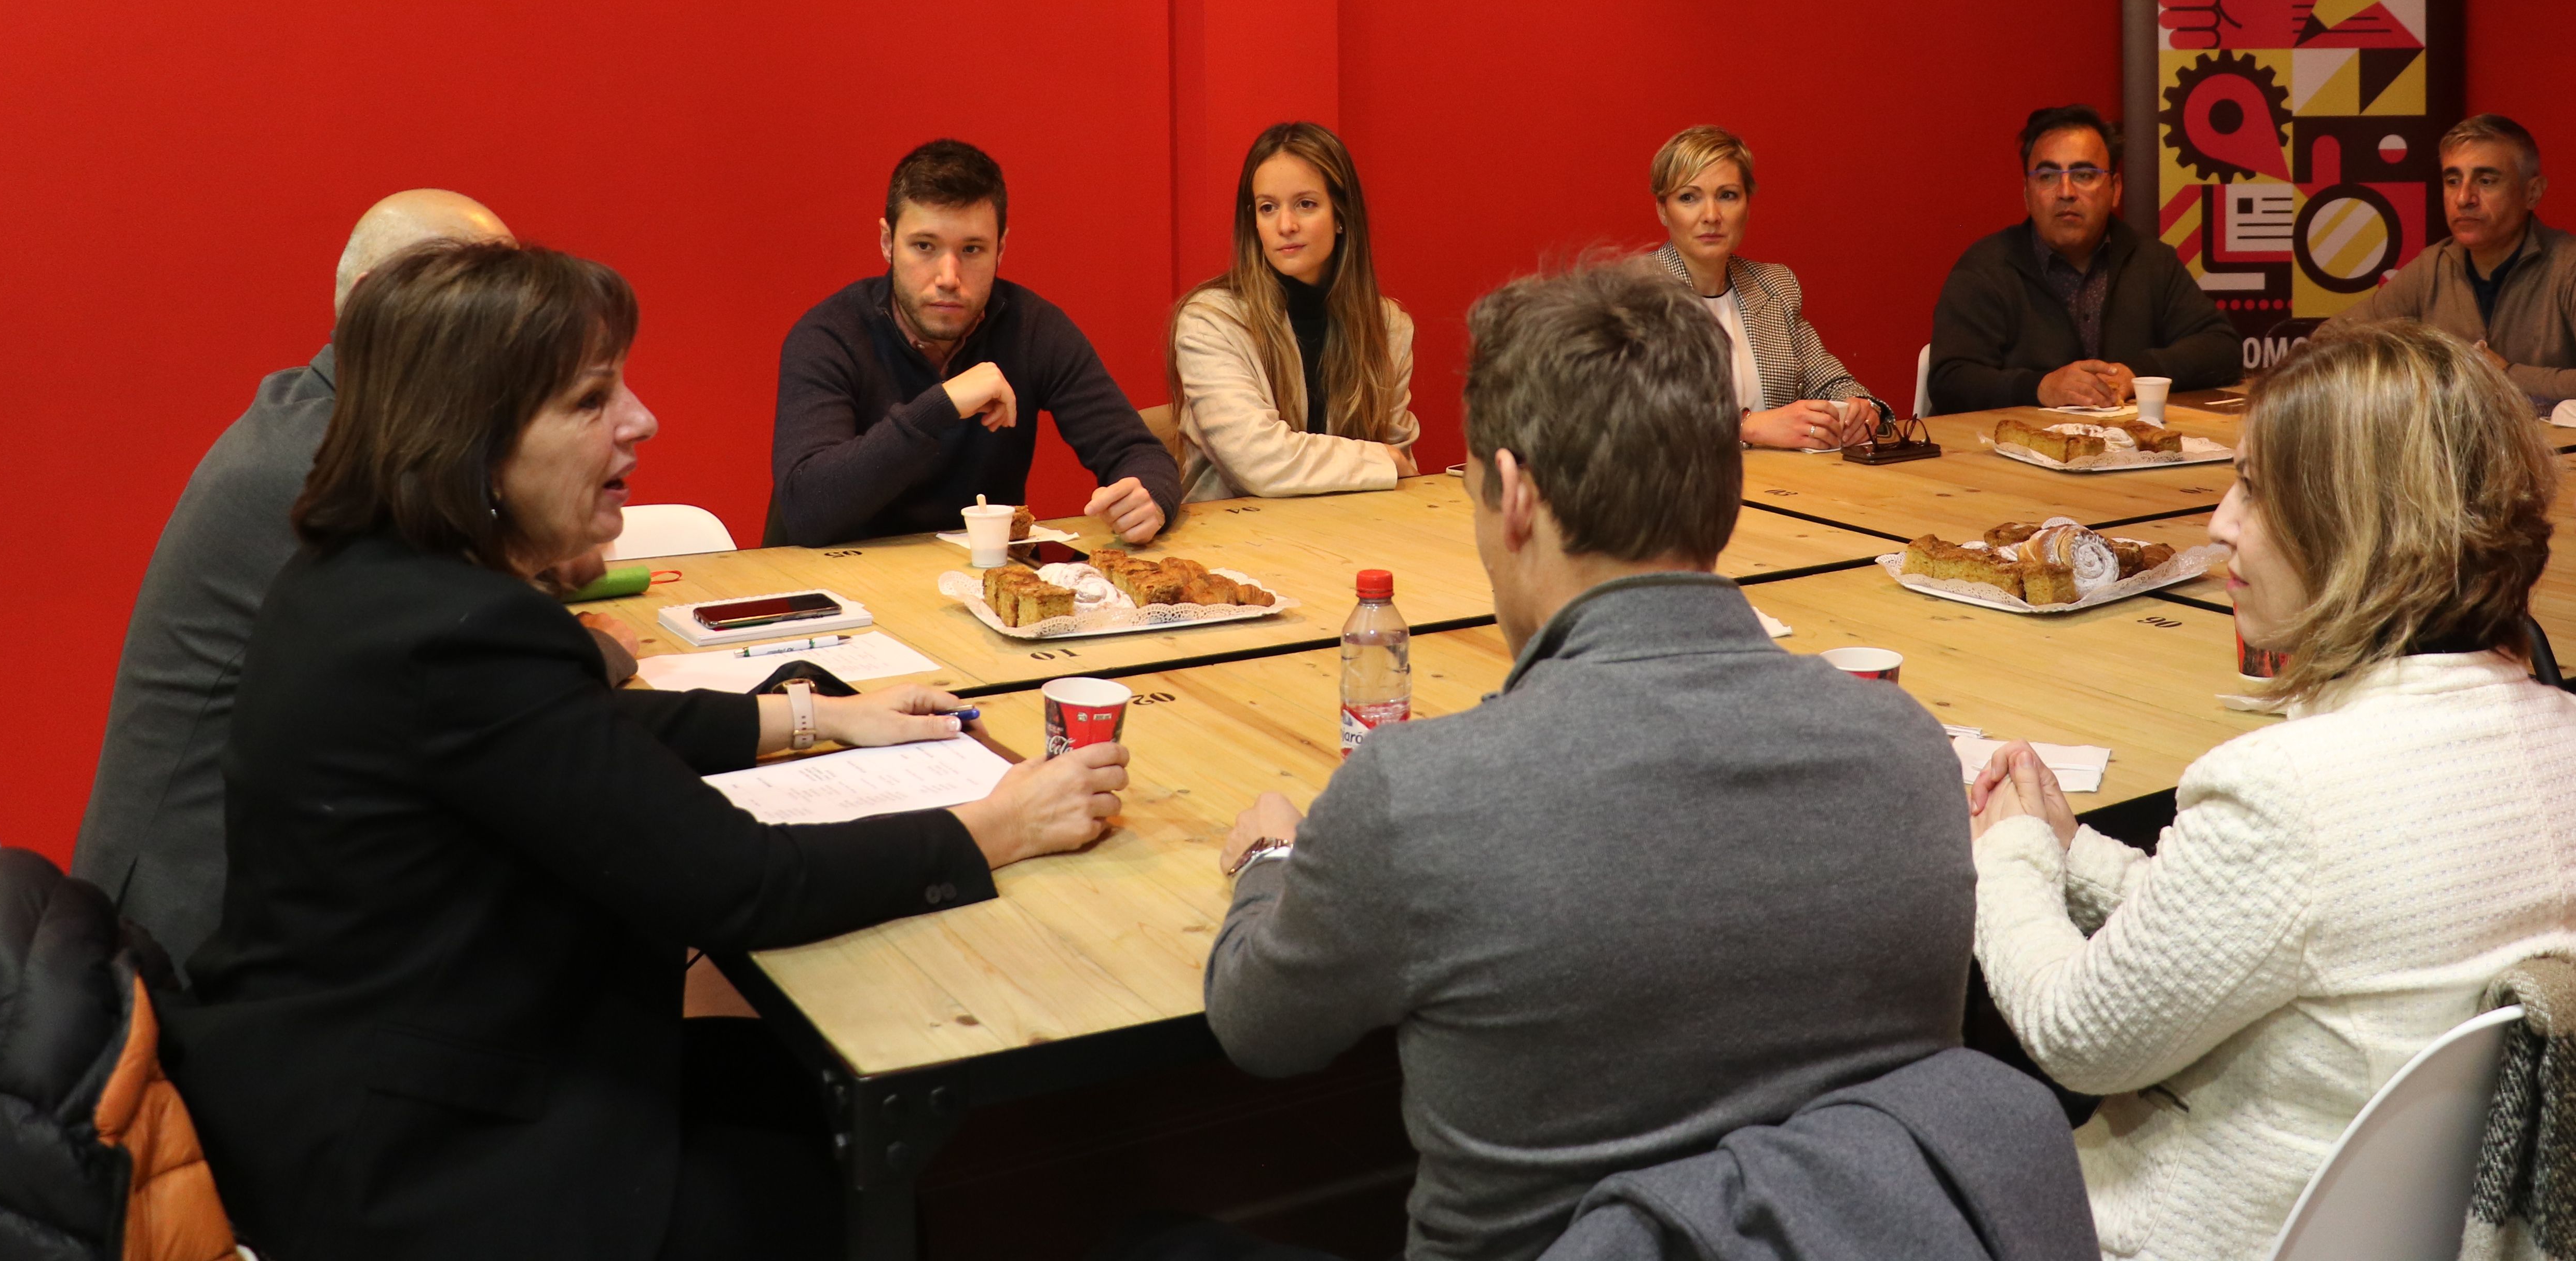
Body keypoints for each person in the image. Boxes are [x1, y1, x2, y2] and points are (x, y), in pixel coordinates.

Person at [164, 239, 1127, 1261]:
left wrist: (815, 716)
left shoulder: (363, 579)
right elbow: (744, 882)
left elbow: (581, 738)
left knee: (786, 1083)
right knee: (832, 1170)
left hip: (337, 1084)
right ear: (474, 442)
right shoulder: (463, 630)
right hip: (423, 1162)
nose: (642, 419)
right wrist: (996, 825)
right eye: (591, 400)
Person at [1200, 262, 1975, 1261]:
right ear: (1726, 486)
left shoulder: (1417, 794)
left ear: (1516, 496)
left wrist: (1272, 861)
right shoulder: (1908, 751)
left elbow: (1258, 1027)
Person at [1965, 320, 2576, 1261]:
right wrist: (2072, 853)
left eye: (2254, 489)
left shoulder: (2289, 789)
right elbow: (2273, 929)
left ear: (2355, 525)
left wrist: (2008, 854)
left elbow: (2077, 1034)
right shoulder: (2569, 733)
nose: (2219, 525)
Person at [73, 187, 532, 974]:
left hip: (264, 858)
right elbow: (481, 670)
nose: (503, 331)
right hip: (193, 923)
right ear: (372, 304)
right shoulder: (323, 467)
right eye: (465, 297)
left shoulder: (328, 418)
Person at [767, 139, 1180, 545]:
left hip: (981, 576)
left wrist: (1150, 500)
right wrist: (941, 406)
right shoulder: (830, 336)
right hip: (840, 576)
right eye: (924, 246)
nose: (948, 277)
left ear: (1000, 249)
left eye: (972, 249)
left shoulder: (1034, 328)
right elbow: (806, 511)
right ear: (887, 243)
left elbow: (1137, 452)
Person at [1925, 105, 2240, 413]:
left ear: (2115, 189)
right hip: (2013, 443)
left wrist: (2135, 373)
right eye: (2047, 176)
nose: (2066, 192)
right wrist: (2039, 388)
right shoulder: (1987, 268)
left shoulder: (2151, 261)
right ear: (2027, 193)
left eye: (2084, 175)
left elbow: (2221, 347)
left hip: (2129, 442)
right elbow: (1950, 380)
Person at [1167, 123, 1422, 500]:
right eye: (1268, 208)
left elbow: (1402, 469)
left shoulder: (1388, 327)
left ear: (1341, 215)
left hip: (1352, 528)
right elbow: (1260, 462)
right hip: (1236, 532)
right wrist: (1378, 461)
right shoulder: (1210, 322)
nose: (1286, 226)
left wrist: (1387, 463)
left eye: (1306, 204)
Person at [2330, 114, 2576, 413]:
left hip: (2551, 450)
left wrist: (2504, 374)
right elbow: (2330, 342)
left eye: (2486, 180)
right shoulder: (2432, 267)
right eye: (2453, 180)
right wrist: (2422, 377)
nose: (2464, 198)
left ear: (2532, 193)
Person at [1646, 125, 1878, 450]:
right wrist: (1745, 426)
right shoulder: (1628, 297)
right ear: (1662, 209)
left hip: (1778, 478)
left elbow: (1831, 383)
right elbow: (1625, 417)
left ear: (1747, 205)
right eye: (1689, 197)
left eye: (1727, 195)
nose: (1711, 215)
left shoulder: (1774, 285)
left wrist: (1859, 409)